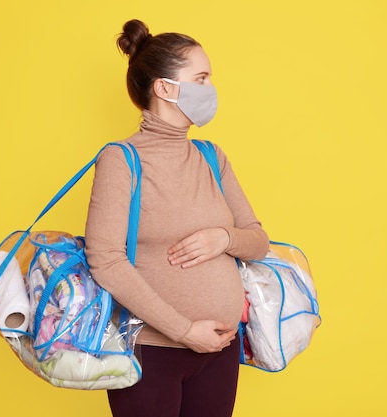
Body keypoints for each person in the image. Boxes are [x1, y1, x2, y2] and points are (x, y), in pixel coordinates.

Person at [85, 19, 269, 417]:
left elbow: (258, 240)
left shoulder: (211, 156)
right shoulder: (121, 160)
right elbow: (106, 261)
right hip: (151, 353)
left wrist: (224, 238)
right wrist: (185, 332)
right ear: (165, 88)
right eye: (200, 78)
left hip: (220, 350)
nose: (210, 89)